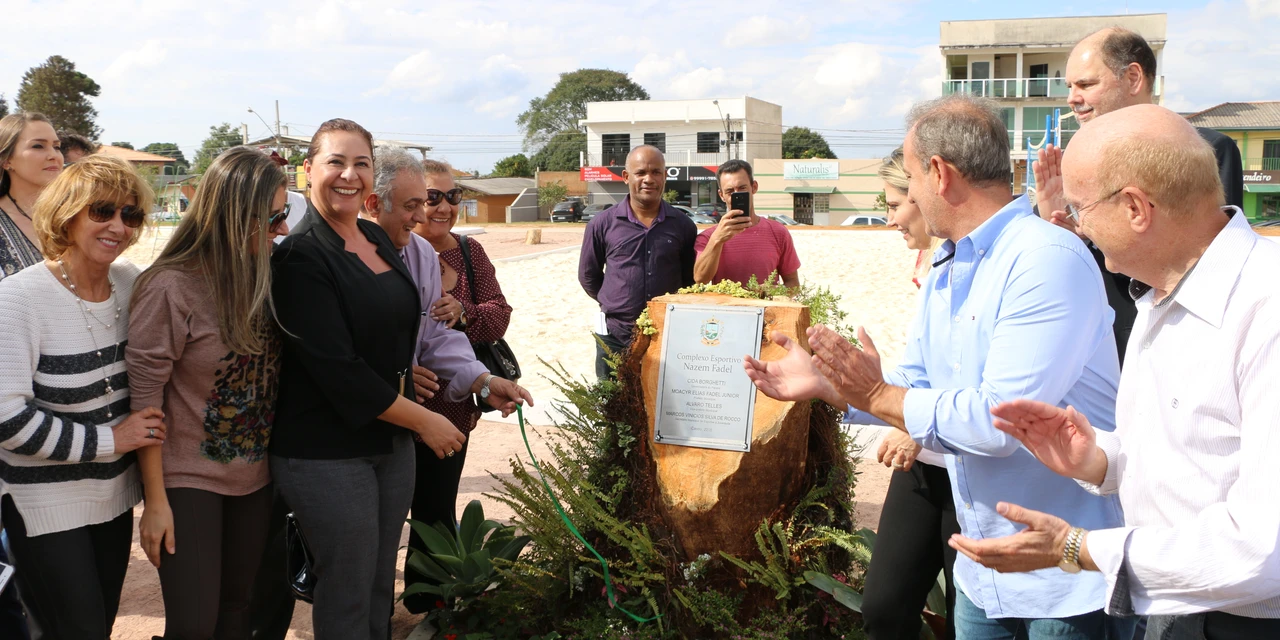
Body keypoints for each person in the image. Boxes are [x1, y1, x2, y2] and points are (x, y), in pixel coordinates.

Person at [744, 95, 1130, 640]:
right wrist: (833, 386)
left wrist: (874, 393)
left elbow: (998, 423)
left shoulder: (1045, 259)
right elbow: (922, 386)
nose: (910, 196)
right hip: (982, 573)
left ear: (940, 174)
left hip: (1061, 582)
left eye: (910, 178)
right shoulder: (951, 263)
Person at [953, 104, 1280, 640]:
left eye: (1078, 207)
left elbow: (1261, 548)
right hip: (1177, 606)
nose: (1075, 224)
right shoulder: (1163, 292)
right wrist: (1099, 460)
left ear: (1135, 208)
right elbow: (1199, 460)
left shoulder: (1267, 309)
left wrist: (1079, 549)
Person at [269, 118, 527, 638]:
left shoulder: (381, 240)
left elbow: (428, 331)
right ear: (308, 170)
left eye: (360, 163)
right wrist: (423, 419)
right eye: (336, 162)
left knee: (374, 585)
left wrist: (481, 380)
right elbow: (339, 370)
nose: (349, 174)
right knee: (347, 585)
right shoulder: (300, 256)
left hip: (389, 443)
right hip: (329, 447)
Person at [0, 154, 168, 639]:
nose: (118, 225)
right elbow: (6, 419)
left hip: (113, 498)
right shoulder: (18, 299)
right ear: (66, 214)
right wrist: (112, 440)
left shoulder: (130, 281)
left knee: (98, 625)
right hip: (44, 503)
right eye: (101, 211)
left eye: (130, 214)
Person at [126, 147, 291, 639]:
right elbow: (145, 403)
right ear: (234, 215)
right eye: (273, 217)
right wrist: (155, 502)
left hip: (254, 477)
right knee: (194, 624)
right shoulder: (170, 287)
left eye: (284, 214)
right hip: (186, 479)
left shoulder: (265, 274)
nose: (282, 228)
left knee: (238, 611)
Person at [359, 147, 530, 615]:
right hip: (370, 418)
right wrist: (396, 374)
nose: (434, 210)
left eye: (449, 197)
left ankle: (427, 601)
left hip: (447, 408)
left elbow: (466, 327)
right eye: (422, 200)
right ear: (375, 203)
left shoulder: (453, 253)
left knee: (433, 509)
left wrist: (482, 378)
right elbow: (335, 351)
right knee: (366, 536)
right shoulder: (341, 254)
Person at [1035, 27, 1244, 364]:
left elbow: (1206, 263)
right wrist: (1053, 232)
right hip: (1093, 350)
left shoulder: (1203, 150)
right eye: (1069, 87)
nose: (1073, 98)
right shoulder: (1070, 166)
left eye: (1086, 84)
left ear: (1133, 78)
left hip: (1179, 347)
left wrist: (1092, 233)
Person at [857, 147, 957, 640]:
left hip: (968, 466)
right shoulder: (934, 259)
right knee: (883, 608)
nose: (891, 218)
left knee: (966, 619)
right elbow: (924, 363)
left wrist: (914, 427)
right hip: (921, 461)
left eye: (896, 204)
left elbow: (982, 374)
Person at [579, 144, 697, 380]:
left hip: (668, 336)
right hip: (615, 336)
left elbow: (689, 280)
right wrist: (615, 301)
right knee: (613, 401)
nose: (648, 179)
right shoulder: (602, 224)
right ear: (626, 176)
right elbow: (588, 275)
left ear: (665, 176)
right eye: (641, 172)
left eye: (656, 172)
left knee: (664, 400)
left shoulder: (683, 225)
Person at [693, 159, 800, 288]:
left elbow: (793, 284)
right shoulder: (708, 237)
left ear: (754, 187)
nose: (737, 195)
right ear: (721, 195)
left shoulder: (778, 232)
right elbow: (700, 279)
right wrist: (717, 240)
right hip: (725, 302)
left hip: (767, 302)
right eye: (730, 191)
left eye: (742, 188)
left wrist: (772, 291)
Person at [0, 113, 63, 280]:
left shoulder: (79, 214)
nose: (54, 155)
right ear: (7, 160)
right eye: (38, 146)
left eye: (57, 147)